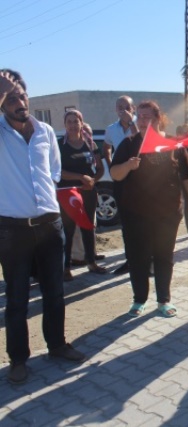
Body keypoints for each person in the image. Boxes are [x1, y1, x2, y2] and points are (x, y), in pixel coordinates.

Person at [0, 69, 86, 385]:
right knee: (18, 297)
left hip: (50, 225)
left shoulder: (46, 131)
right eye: (10, 98)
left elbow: (54, 171)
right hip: (12, 230)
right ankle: (18, 360)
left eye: (21, 95)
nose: (18, 102)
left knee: (54, 291)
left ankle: (57, 345)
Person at [110, 100, 188, 318]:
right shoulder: (129, 144)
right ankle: (139, 299)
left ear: (158, 119)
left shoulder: (172, 144)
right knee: (137, 258)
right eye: (139, 116)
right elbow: (115, 174)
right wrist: (127, 166)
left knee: (163, 257)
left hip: (167, 213)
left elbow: (187, 174)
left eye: (146, 116)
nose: (141, 121)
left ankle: (163, 300)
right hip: (135, 213)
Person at [58, 109, 107, 280]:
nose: (72, 125)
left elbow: (100, 169)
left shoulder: (90, 144)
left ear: (81, 122)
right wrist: (80, 177)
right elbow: (58, 172)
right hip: (68, 193)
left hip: (88, 192)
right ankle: (65, 267)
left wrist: (93, 180)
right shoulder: (59, 145)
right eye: (69, 122)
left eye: (75, 121)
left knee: (88, 227)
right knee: (69, 230)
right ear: (65, 125)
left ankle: (91, 262)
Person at [104, 95, 137, 275]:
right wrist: (111, 164)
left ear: (133, 108)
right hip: (122, 178)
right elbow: (106, 147)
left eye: (126, 107)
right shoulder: (111, 129)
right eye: (119, 107)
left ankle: (150, 260)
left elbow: (141, 138)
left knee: (145, 221)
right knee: (126, 222)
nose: (123, 110)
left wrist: (131, 123)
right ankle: (130, 260)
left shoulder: (141, 124)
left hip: (141, 178)